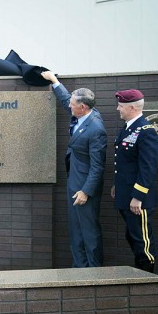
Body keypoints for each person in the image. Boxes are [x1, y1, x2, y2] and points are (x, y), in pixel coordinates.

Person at [41, 71, 107, 267]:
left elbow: (98, 166)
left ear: (83, 107)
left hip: (84, 189)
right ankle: (79, 269)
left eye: (72, 104)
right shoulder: (83, 114)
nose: (68, 105)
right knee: (76, 231)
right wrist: (55, 82)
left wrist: (86, 192)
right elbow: (65, 100)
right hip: (74, 182)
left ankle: (94, 273)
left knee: (88, 231)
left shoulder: (96, 130)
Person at [111, 89, 158, 273]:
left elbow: (147, 168)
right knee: (132, 236)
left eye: (121, 106)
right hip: (126, 195)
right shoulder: (128, 128)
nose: (118, 109)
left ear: (132, 107)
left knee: (142, 241)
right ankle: (140, 275)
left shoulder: (146, 131)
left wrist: (138, 196)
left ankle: (147, 277)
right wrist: (118, 185)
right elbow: (126, 163)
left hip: (138, 200)